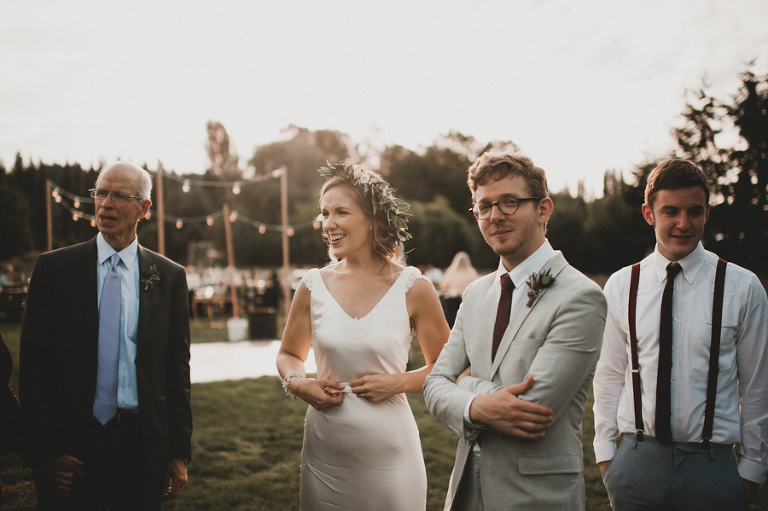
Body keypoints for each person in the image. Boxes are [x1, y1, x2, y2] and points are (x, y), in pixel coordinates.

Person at [424, 151, 607, 511]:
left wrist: (462, 384)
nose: (495, 216)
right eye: (484, 206)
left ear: (543, 210)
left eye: (510, 202)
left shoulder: (582, 296)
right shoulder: (476, 293)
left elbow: (529, 410)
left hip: (535, 498)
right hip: (464, 494)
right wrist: (477, 402)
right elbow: (433, 385)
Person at [593, 159, 768, 510]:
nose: (683, 224)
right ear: (649, 213)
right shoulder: (622, 285)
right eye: (670, 211)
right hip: (636, 463)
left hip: (714, 468)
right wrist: (607, 457)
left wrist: (752, 470)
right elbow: (609, 376)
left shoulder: (743, 287)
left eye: (694, 212)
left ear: (707, 212)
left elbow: (757, 386)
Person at [276, 161, 450, 510]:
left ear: (374, 218)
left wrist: (397, 382)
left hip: (392, 460)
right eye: (325, 214)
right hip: (324, 458)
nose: (329, 224)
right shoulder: (312, 285)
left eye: (341, 212)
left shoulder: (413, 287)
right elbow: (288, 354)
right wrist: (298, 382)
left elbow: (447, 369)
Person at [19, 161, 192, 510]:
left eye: (119, 196)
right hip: (73, 447)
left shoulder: (169, 276)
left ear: (144, 208)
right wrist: (48, 452)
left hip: (142, 447)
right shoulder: (54, 270)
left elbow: (176, 372)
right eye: (100, 192)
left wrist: (177, 454)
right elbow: (34, 369)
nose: (105, 204)